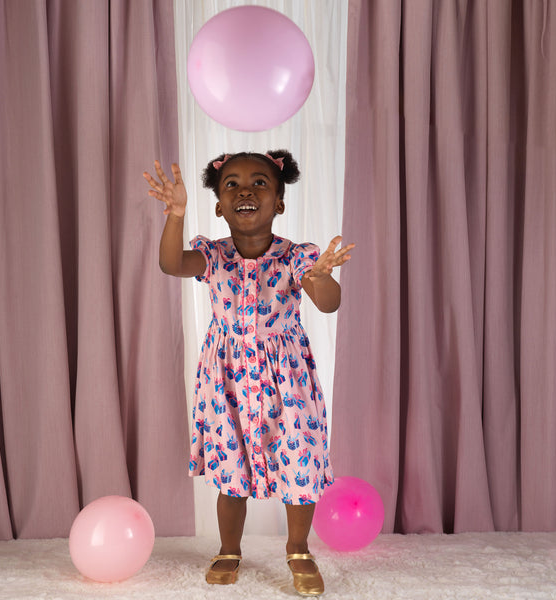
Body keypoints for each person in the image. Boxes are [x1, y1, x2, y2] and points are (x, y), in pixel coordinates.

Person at [143, 150, 353, 597]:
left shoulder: (296, 257)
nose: (245, 190)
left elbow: (328, 302)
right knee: (231, 463)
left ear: (280, 202)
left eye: (260, 182)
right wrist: (176, 215)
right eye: (232, 184)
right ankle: (228, 549)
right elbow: (171, 264)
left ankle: (299, 550)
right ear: (220, 206)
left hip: (286, 380)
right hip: (227, 380)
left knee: (299, 459)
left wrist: (319, 277)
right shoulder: (213, 256)